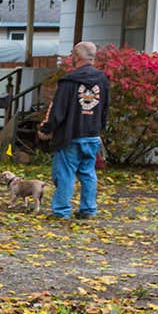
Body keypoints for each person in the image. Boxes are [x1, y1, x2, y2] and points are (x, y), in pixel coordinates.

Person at [38, 41, 110, 219]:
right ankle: (88, 209)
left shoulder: (69, 81)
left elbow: (58, 111)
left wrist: (46, 129)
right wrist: (100, 129)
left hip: (70, 135)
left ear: (76, 57)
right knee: (88, 173)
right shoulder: (102, 80)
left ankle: (61, 211)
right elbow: (105, 108)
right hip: (92, 134)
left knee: (65, 174)